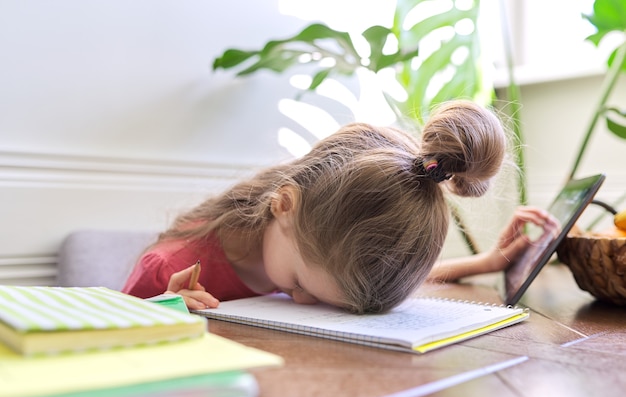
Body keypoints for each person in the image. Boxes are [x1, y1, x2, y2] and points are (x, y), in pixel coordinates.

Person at [122, 100, 556, 314]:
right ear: (285, 205)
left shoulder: (310, 245)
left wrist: (486, 263)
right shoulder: (168, 272)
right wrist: (162, 314)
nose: (303, 301)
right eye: (297, 281)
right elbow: (101, 351)